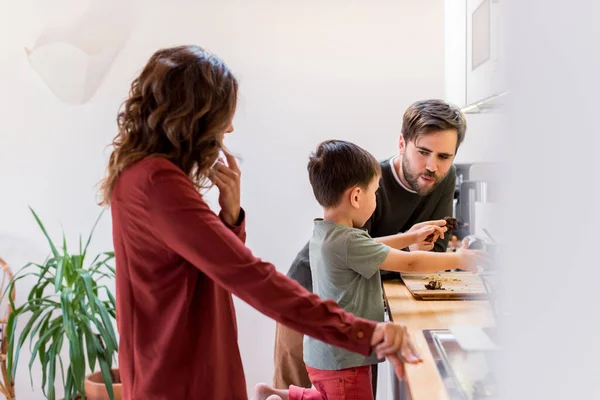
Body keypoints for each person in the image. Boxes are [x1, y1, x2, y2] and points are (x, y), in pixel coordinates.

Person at [98, 45, 422, 400]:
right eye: (223, 115)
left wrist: (232, 215)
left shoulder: (137, 174)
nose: (230, 127)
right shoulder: (157, 182)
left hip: (168, 365)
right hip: (181, 373)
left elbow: (199, 266)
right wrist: (363, 333)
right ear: (194, 116)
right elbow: (249, 276)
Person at [254, 140, 483, 400]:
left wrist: (409, 237)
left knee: (327, 394)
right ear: (356, 196)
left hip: (323, 354)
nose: (376, 198)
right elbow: (410, 263)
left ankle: (282, 396)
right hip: (345, 357)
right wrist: (460, 259)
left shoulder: (326, 233)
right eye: (374, 193)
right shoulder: (349, 240)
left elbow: (371, 246)